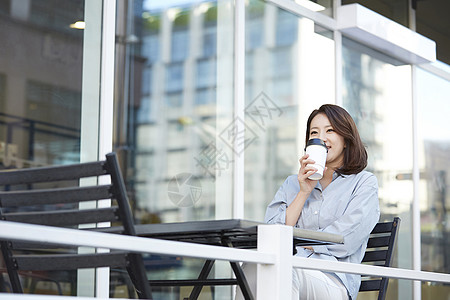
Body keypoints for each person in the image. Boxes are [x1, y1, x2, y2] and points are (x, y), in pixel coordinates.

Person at [235, 104, 380, 300]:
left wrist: (297, 240)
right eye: (314, 132)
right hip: (293, 267)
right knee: (253, 265)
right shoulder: (292, 183)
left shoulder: (364, 182)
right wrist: (304, 192)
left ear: (346, 139)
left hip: (333, 279)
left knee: (285, 270)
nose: (322, 138)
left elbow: (346, 239)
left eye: (330, 130)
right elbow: (271, 233)